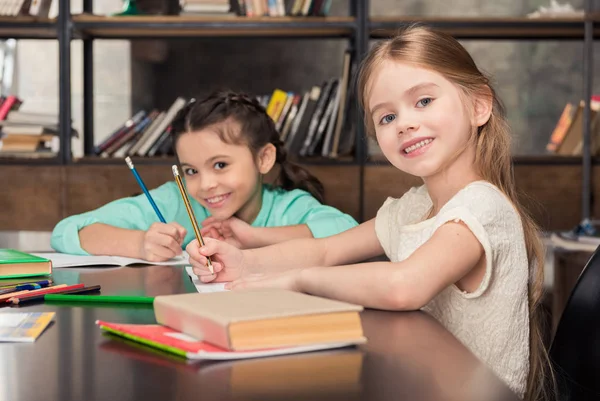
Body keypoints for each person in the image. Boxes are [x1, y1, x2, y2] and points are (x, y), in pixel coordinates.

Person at [187, 26, 549, 400]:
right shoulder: (414, 206)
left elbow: (404, 286)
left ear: (478, 106)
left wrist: (299, 280)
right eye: (387, 117)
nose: (405, 123)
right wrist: (243, 263)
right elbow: (326, 250)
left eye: (423, 101)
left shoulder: (482, 206)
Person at [51, 91, 358, 261]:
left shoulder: (288, 208)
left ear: (263, 158)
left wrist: (251, 238)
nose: (206, 184)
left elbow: (346, 231)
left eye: (221, 165)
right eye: (191, 171)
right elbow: (68, 230)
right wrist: (139, 244)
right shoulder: (174, 200)